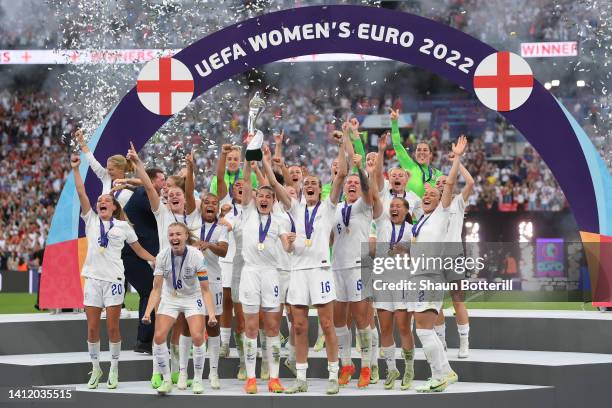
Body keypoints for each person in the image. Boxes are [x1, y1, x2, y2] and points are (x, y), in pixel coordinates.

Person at [269, 125, 349, 395]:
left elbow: (341, 175)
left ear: (321, 189)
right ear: (302, 188)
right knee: (300, 326)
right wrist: (263, 163)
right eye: (307, 183)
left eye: (315, 183)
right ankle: (301, 379)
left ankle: (333, 376)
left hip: (320, 271)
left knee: (327, 325)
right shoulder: (295, 207)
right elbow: (276, 185)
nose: (311, 185)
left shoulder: (329, 206)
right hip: (297, 272)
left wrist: (342, 142)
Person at [70, 154, 155, 390]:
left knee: (113, 329)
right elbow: (81, 193)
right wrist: (76, 170)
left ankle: (114, 369)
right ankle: (96, 368)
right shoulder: (90, 220)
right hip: (94, 280)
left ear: (114, 206)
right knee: (92, 328)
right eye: (99, 201)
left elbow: (138, 250)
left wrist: (156, 260)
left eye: (106, 200)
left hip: (114, 281)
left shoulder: (124, 227)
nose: (101, 202)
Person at [127, 143, 201, 388]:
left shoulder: (190, 216)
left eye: (177, 194)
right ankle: (158, 372)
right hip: (164, 275)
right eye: (169, 194)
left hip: (187, 279)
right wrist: (138, 164)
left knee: (180, 327)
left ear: (184, 197)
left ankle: (180, 372)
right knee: (161, 327)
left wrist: (190, 169)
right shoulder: (161, 213)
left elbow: (190, 191)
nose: (172, 196)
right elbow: (149, 186)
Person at [409, 136, 467, 393]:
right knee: (423, 328)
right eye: (427, 194)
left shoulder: (443, 213)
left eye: (435, 194)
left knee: (422, 329)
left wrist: (456, 159)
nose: (428, 196)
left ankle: (440, 374)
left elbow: (451, 183)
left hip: (431, 276)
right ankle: (445, 372)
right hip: (420, 275)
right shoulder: (422, 219)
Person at [234, 154, 292, 394]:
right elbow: (247, 183)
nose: (264, 199)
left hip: (271, 274)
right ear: (255, 198)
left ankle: (274, 377)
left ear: (273, 200)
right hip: (250, 273)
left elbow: (286, 247)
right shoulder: (247, 211)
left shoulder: (279, 219)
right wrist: (248, 161)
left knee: (272, 326)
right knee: (250, 327)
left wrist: (291, 244)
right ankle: (251, 378)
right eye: (261, 196)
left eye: (269, 196)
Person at [143, 223, 217, 395]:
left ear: (185, 236)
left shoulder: (197, 256)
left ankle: (198, 379)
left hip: (193, 297)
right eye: (171, 235)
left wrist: (211, 314)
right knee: (159, 336)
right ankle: (167, 380)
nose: (174, 238)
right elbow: (156, 289)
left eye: (178, 234)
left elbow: (206, 289)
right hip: (171, 297)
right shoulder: (162, 256)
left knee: (198, 336)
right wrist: (147, 312)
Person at [331, 125, 379, 388]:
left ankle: (366, 367)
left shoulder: (364, 207)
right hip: (338, 268)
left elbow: (368, 187)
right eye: (347, 183)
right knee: (340, 321)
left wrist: (360, 169)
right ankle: (346, 364)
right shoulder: (336, 208)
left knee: (362, 320)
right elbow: (340, 174)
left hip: (359, 266)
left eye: (354, 184)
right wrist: (344, 144)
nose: (350, 185)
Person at [186, 151, 229, 389]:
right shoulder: (192, 218)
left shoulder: (222, 227)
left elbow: (222, 251)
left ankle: (213, 373)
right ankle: (195, 375)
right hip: (192, 282)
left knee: (212, 327)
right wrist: (190, 168)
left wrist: (207, 244)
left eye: (215, 203)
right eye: (207, 203)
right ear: (201, 206)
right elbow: (188, 190)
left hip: (213, 281)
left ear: (218, 208)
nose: (210, 205)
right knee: (195, 328)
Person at [370, 196, 416, 390]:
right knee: (385, 329)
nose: (394, 208)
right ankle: (391, 369)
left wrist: (405, 251)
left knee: (404, 328)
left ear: (406, 210)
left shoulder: (413, 230)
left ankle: (409, 368)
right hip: (382, 282)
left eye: (398, 206)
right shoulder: (381, 224)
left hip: (402, 283)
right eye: (392, 206)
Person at [433, 150, 475, 359]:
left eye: (444, 181)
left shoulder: (458, 202)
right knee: (437, 303)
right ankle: (441, 342)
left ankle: (464, 342)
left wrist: (457, 164)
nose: (441, 184)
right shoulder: (431, 207)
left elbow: (471, 183)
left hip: (454, 257)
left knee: (458, 301)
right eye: (438, 183)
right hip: (434, 259)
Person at [121, 167, 165, 358]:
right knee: (149, 291)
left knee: (152, 292)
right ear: (152, 181)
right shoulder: (142, 194)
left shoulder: (141, 192)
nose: (164, 184)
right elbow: (159, 210)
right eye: (162, 180)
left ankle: (149, 339)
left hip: (139, 255)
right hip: (133, 255)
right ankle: (144, 341)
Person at [215, 144, 248, 380]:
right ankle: (225, 343)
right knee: (226, 301)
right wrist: (224, 155)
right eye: (235, 185)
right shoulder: (225, 203)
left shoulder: (253, 206)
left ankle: (247, 352)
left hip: (247, 262)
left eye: (242, 185)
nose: (238, 187)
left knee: (242, 306)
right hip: (226, 260)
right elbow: (219, 178)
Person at [389, 109, 442, 198]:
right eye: (419, 150)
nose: (421, 152)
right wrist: (394, 123)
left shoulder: (438, 174)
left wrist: (434, 190)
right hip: (409, 210)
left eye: (425, 150)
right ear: (415, 153)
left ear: (430, 154)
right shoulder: (409, 166)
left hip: (429, 210)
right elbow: (397, 145)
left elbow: (443, 194)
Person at [74, 129, 134, 207]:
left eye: (111, 169)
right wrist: (82, 142)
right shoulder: (106, 177)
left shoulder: (131, 185)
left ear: (121, 169)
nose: (108, 171)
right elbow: (92, 161)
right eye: (107, 168)